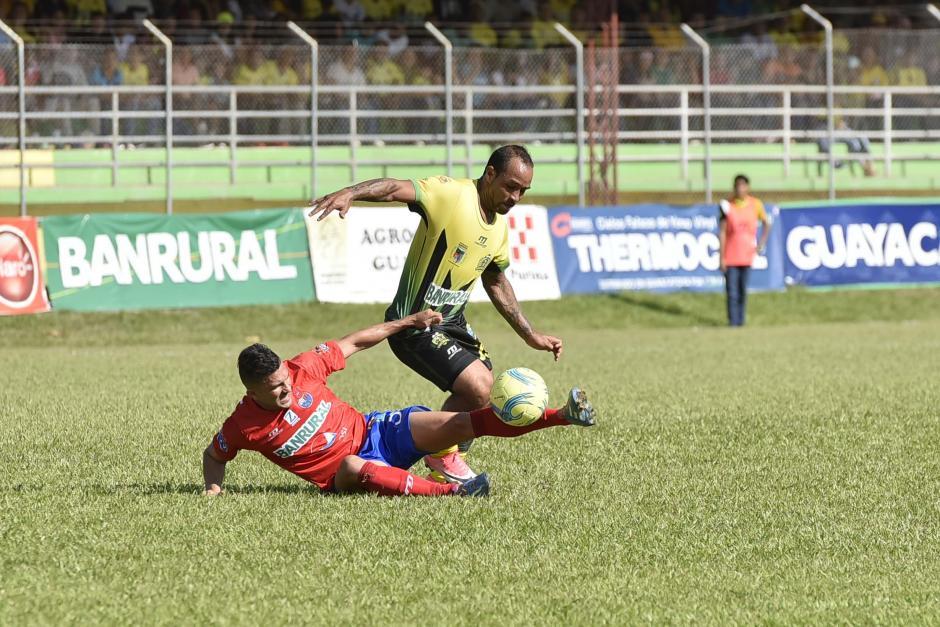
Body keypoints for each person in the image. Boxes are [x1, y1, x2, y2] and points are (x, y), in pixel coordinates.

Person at [307, 145, 563, 484]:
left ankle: (446, 459)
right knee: (479, 386)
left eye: (523, 191)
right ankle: (440, 456)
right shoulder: (451, 194)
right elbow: (394, 188)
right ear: (490, 174)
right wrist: (351, 192)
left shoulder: (499, 229)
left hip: (453, 323)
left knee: (480, 390)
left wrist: (530, 335)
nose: (515, 197)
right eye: (510, 186)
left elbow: (496, 281)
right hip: (415, 324)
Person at [201, 310, 596, 498]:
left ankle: (563, 416)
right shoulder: (243, 425)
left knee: (461, 422)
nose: (286, 389)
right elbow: (214, 455)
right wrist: (213, 488)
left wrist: (406, 323)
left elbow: (355, 341)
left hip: (375, 432)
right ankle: (452, 493)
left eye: (286, 381)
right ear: (252, 391)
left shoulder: (302, 367)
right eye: (275, 389)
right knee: (352, 464)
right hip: (342, 477)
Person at [718, 175, 771, 327]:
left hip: (747, 255)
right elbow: (722, 232)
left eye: (743, 186)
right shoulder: (727, 206)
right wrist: (721, 257)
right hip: (730, 256)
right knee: (732, 292)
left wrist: (761, 243)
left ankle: (741, 322)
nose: (740, 189)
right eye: (737, 186)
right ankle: (733, 322)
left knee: (742, 290)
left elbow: (767, 223)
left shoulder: (756, 204)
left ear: (748, 187)